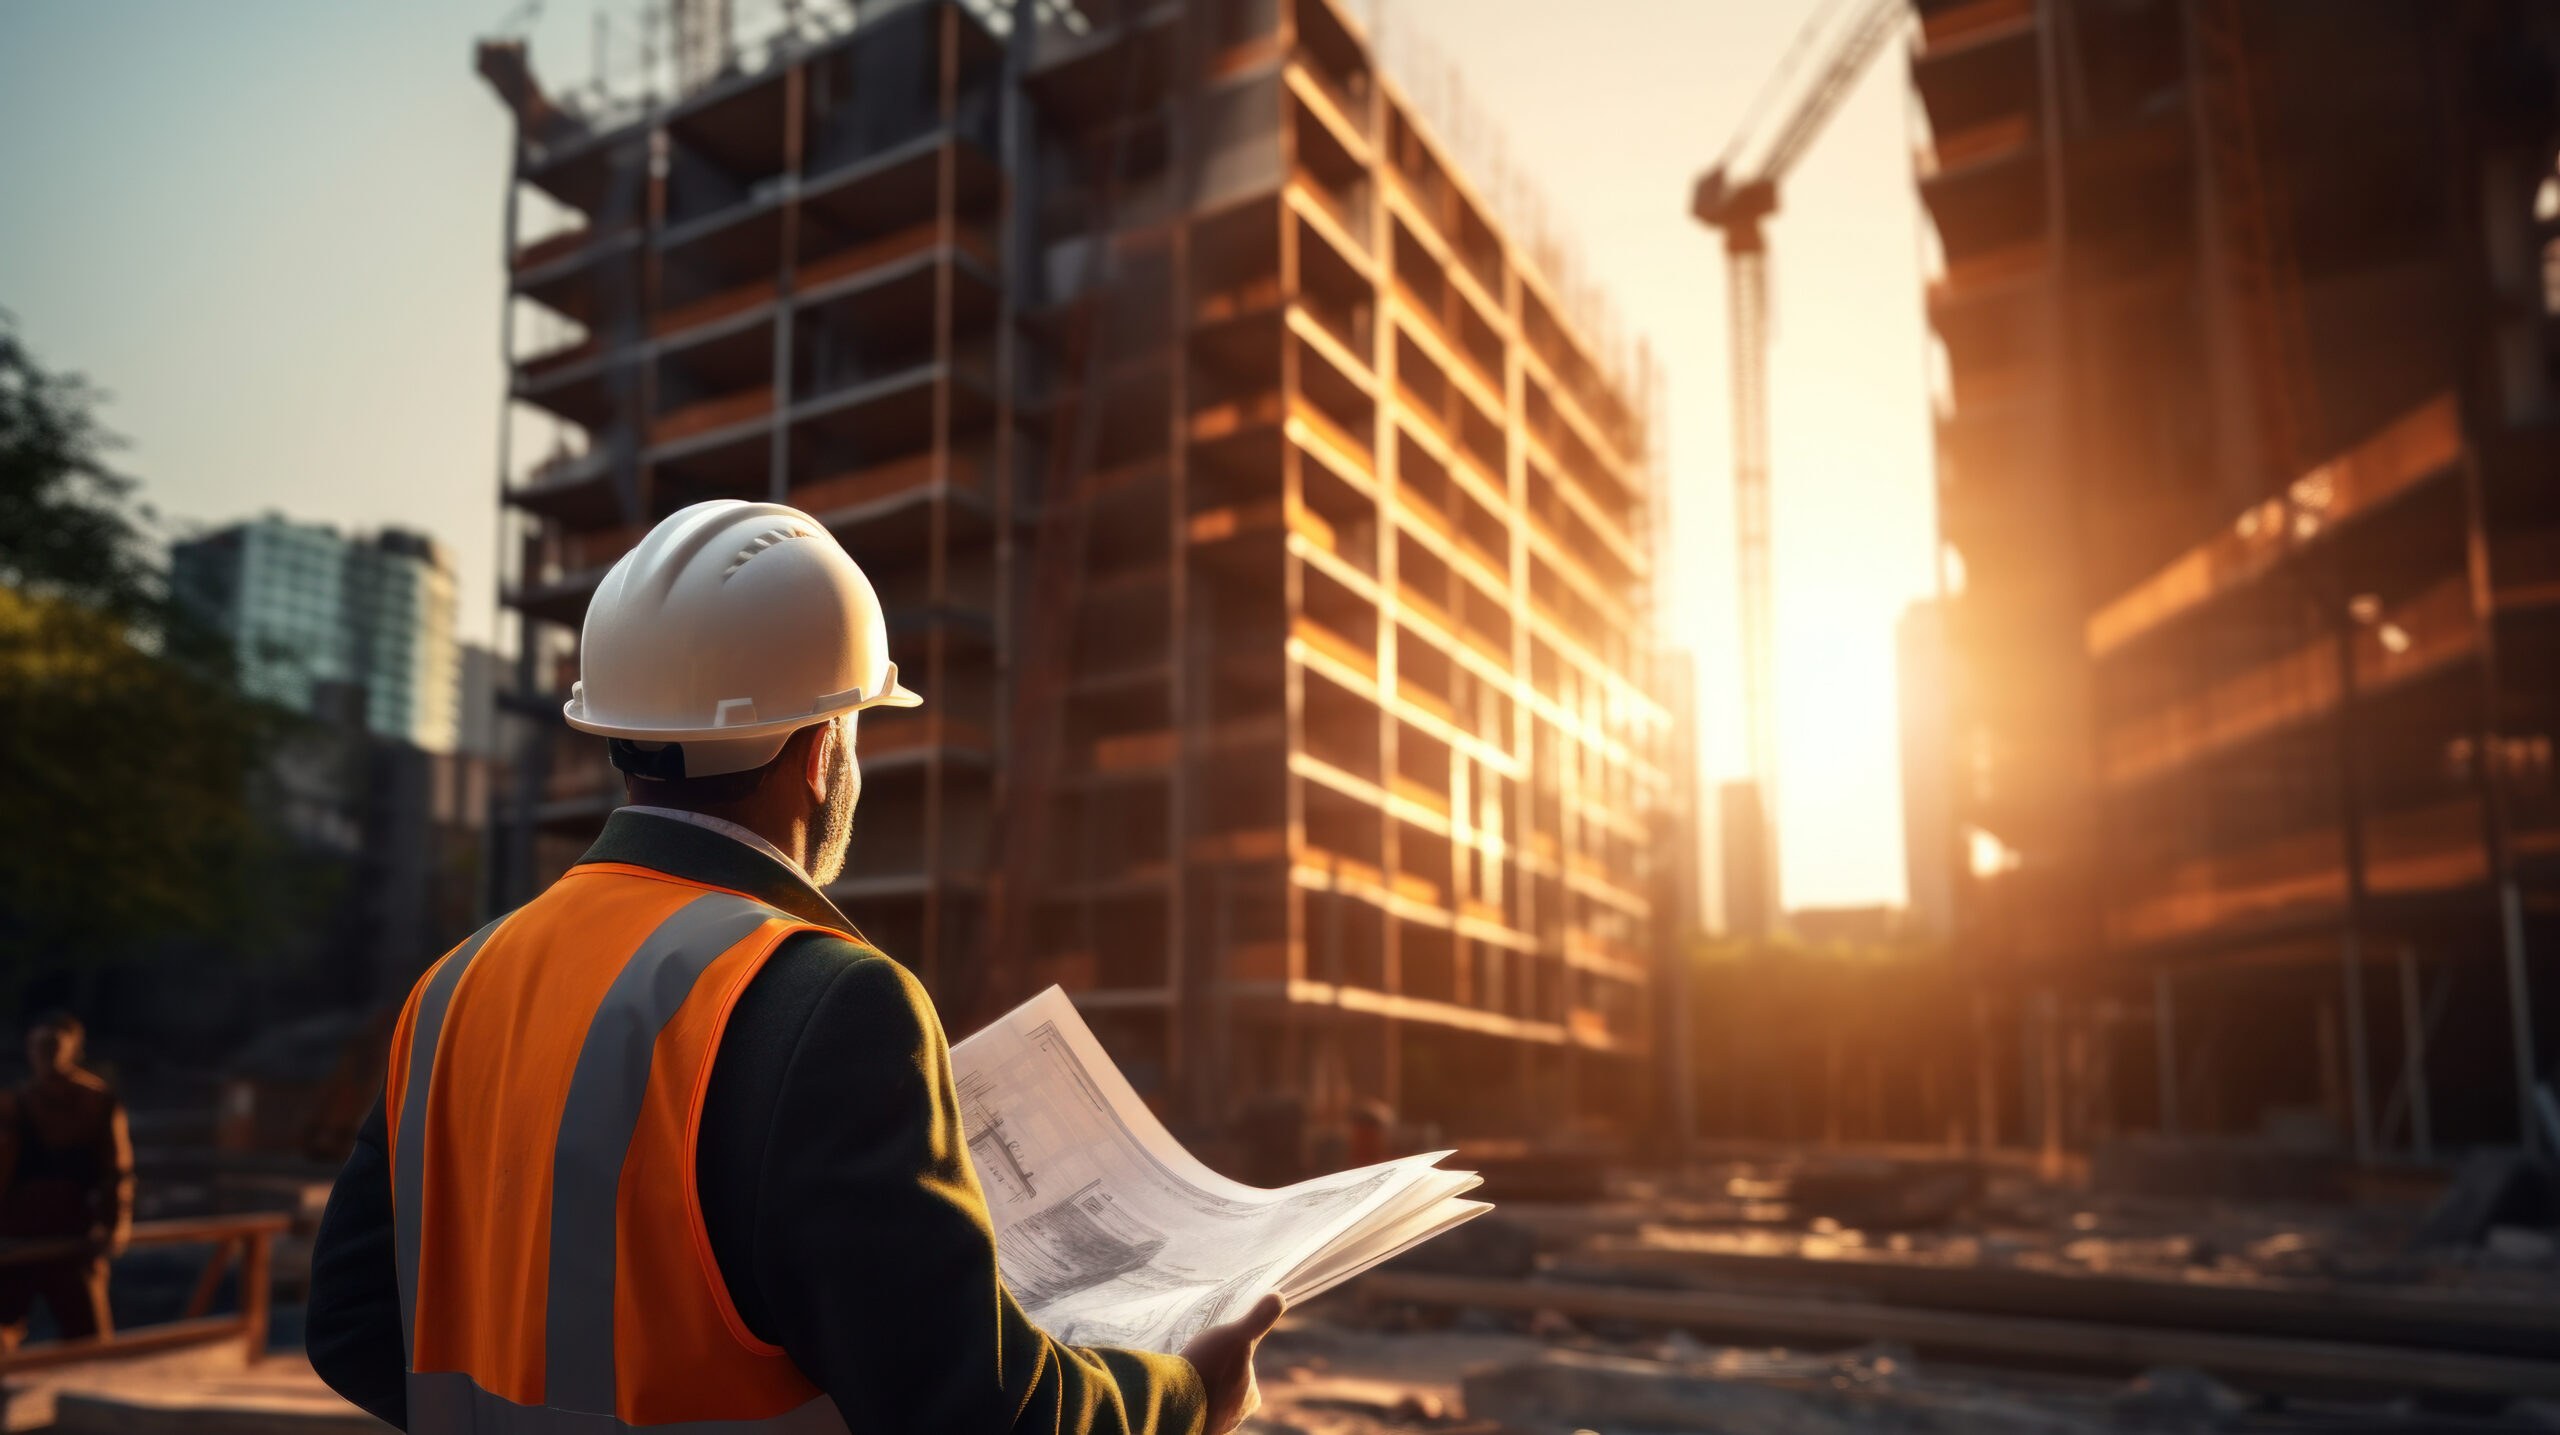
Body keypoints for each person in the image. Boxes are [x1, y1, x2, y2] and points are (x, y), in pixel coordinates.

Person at [307, 501, 1281, 1435]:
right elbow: (978, 1415)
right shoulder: (830, 1004)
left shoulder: (453, 986)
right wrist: (1186, 1394)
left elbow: (353, 1329)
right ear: (821, 756)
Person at [0, 1012, 134, 1352]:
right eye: (39, 1046)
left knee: (88, 1341)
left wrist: (114, 1226)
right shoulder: (18, 1102)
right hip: (17, 1236)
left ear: (72, 1049)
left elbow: (117, 1172)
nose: (45, 1054)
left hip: (72, 1236)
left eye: (53, 1046)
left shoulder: (96, 1102)